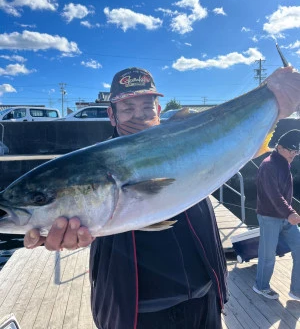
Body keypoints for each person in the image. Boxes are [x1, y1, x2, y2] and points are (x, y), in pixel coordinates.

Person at [24, 65, 300, 328]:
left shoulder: (187, 139)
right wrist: (52, 224)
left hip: (205, 295)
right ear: (112, 115)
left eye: (146, 107)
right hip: (136, 311)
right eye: (127, 108)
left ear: (158, 110)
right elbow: (87, 208)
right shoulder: (94, 163)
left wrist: (274, 97)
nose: (139, 115)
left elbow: (236, 148)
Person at [253, 129, 300, 301]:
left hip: (285, 216)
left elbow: (284, 193)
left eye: (296, 151)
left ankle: (296, 291)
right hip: (269, 217)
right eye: (291, 150)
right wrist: (290, 212)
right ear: (279, 147)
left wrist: (288, 212)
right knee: (268, 256)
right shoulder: (268, 165)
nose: (294, 154)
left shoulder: (284, 162)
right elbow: (274, 195)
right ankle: (261, 286)